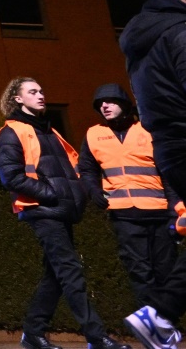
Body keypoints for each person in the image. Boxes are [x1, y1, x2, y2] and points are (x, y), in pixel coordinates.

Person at [0, 77, 130, 349]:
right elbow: (11, 176)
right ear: (18, 99)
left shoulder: (49, 131)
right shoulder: (14, 131)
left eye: (41, 90)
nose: (41, 95)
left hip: (60, 211)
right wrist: (50, 194)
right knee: (70, 271)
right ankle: (96, 336)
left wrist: (78, 196)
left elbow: (72, 170)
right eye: (33, 92)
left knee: (56, 275)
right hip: (42, 210)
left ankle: (33, 332)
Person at [119, 0, 186, 349]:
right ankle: (160, 312)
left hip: (168, 147)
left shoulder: (141, 40)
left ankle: (159, 313)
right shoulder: (179, 31)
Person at [78, 84, 178, 312]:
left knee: (167, 272)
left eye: (110, 101)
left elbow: (169, 171)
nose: (104, 106)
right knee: (140, 273)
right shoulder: (94, 134)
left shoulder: (147, 130)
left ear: (124, 104)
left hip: (160, 213)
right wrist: (94, 191)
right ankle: (153, 330)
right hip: (124, 216)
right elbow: (86, 169)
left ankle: (168, 324)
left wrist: (175, 209)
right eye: (100, 104)